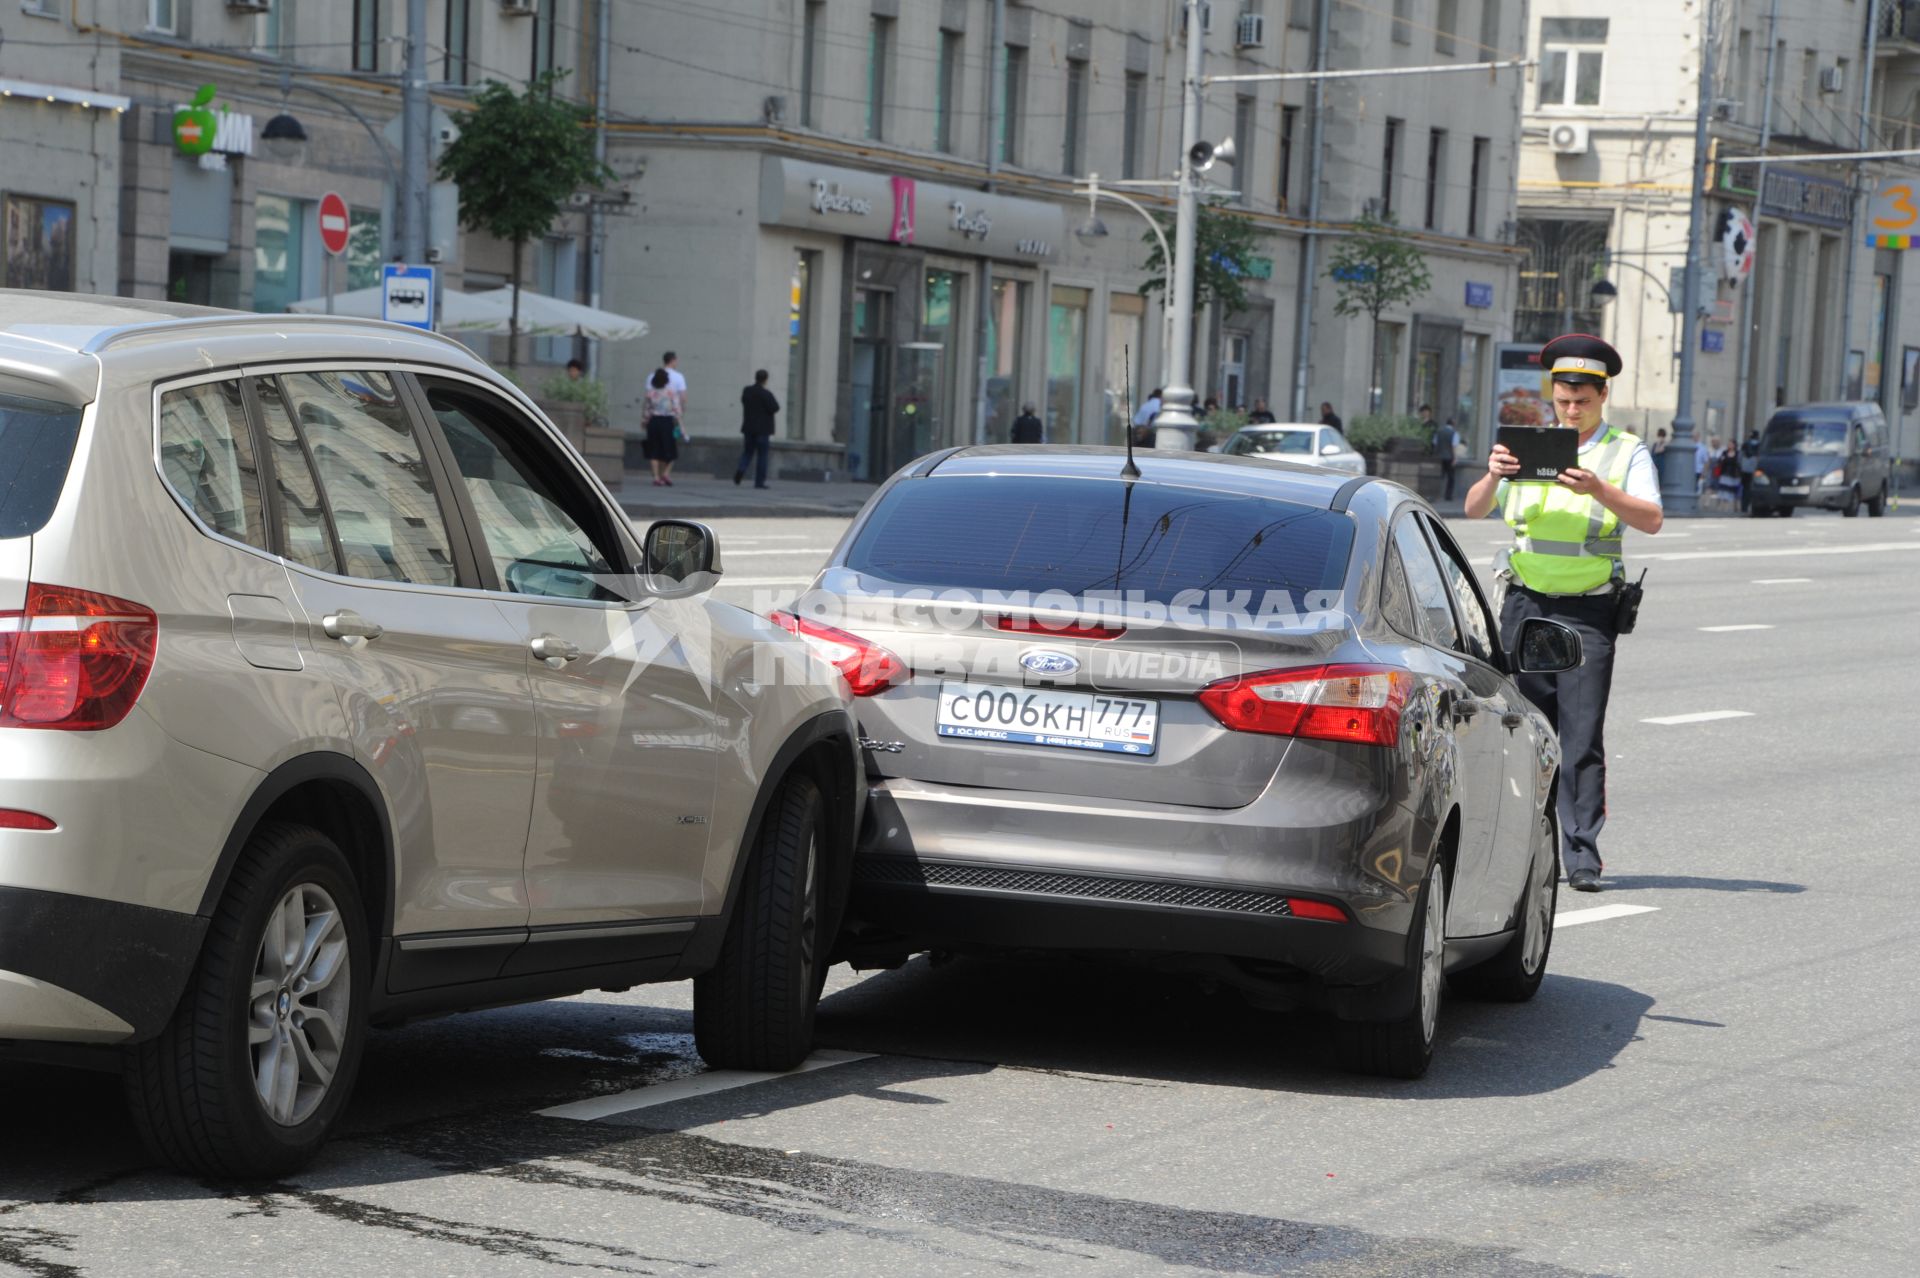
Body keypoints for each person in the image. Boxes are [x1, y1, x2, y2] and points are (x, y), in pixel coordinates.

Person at [1463, 333, 1663, 893]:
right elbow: (1475, 510)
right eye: (1562, 401)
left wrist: (1599, 488)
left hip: (1589, 611)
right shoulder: (1529, 446)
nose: (1571, 410)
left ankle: (1581, 856)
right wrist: (1495, 473)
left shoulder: (1626, 452)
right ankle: (1522, 849)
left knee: (1580, 736)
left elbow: (1650, 519)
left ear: (1602, 397)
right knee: (1523, 732)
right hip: (1525, 605)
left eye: (1582, 401)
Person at [735, 369, 779, 488]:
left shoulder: (747, 391)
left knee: (748, 452)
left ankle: (740, 470)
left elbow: (743, 401)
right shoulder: (766, 394)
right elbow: (775, 408)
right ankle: (759, 482)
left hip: (748, 428)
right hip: (763, 430)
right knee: (762, 455)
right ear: (765, 380)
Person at [643, 366, 683, 487]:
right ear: (666, 380)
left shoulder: (650, 393)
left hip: (654, 422)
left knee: (654, 450)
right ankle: (666, 473)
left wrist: (645, 421)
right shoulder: (671, 393)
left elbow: (646, 410)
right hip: (667, 422)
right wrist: (680, 425)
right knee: (670, 450)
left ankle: (656, 477)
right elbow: (677, 410)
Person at [1432, 416, 1462, 502]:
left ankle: (1435, 494)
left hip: (1439, 457)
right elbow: (1454, 446)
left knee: (1439, 476)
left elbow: (1435, 443)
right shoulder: (1454, 433)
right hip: (1449, 457)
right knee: (1451, 478)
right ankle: (1448, 496)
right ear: (1453, 424)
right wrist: (1455, 458)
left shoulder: (1439, 432)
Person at [1737, 430, 1759, 512]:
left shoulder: (1745, 444)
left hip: (1744, 469)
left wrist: (1740, 466)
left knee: (1744, 488)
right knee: (1752, 488)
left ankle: (1744, 506)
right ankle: (1751, 505)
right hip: (1755, 469)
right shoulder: (1760, 445)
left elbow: (1739, 457)